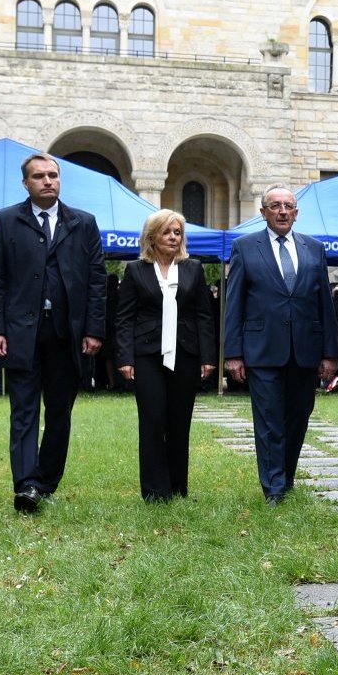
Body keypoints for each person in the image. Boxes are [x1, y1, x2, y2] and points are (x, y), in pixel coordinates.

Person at [0, 152, 108, 514]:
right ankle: (24, 485)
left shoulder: (83, 223)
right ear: (26, 183)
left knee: (59, 413)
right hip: (21, 333)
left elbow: (97, 282)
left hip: (67, 334)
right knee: (22, 411)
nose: (47, 181)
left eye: (53, 175)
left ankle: (44, 481)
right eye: (39, 176)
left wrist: (94, 330)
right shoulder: (6, 221)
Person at [224, 187, 338, 506]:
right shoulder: (245, 247)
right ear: (263, 213)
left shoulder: (313, 249)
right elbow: (234, 304)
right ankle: (273, 487)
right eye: (275, 206)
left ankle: (286, 476)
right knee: (269, 419)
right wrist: (232, 353)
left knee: (298, 416)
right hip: (262, 349)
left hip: (305, 350)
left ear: (297, 212)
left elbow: (323, 304)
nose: (283, 211)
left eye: (288, 206)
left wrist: (330, 352)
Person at [116, 210, 218, 501]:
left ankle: (177, 487)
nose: (173, 237)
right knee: (152, 420)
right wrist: (125, 358)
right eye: (167, 232)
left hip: (185, 353)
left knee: (179, 421)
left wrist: (208, 356)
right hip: (147, 355)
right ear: (152, 237)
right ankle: (154, 491)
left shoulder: (193, 268)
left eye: (177, 232)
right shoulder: (136, 270)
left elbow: (204, 316)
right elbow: (124, 318)